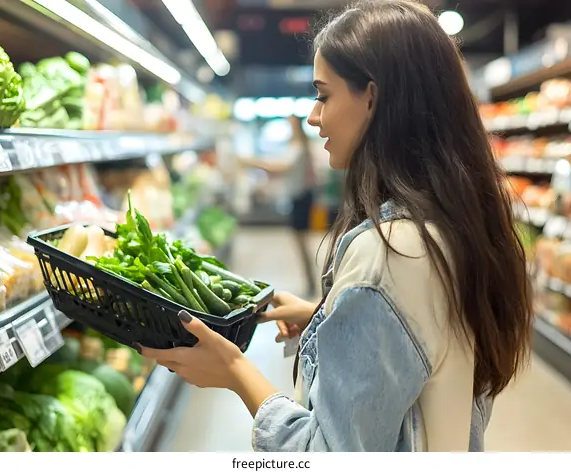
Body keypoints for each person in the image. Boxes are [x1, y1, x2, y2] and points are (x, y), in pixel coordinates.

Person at [138, 0, 533, 452]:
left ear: (371, 96)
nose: (313, 115)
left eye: (323, 95)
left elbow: (325, 455)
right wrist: (327, 320)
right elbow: (427, 352)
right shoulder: (455, 227)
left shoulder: (388, 256)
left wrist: (235, 372)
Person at [239, 115, 318, 297]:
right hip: (300, 197)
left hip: (302, 198)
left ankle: (312, 281)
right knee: (300, 241)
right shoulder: (297, 146)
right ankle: (310, 280)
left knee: (302, 241)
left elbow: (282, 167)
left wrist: (253, 162)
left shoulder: (298, 147)